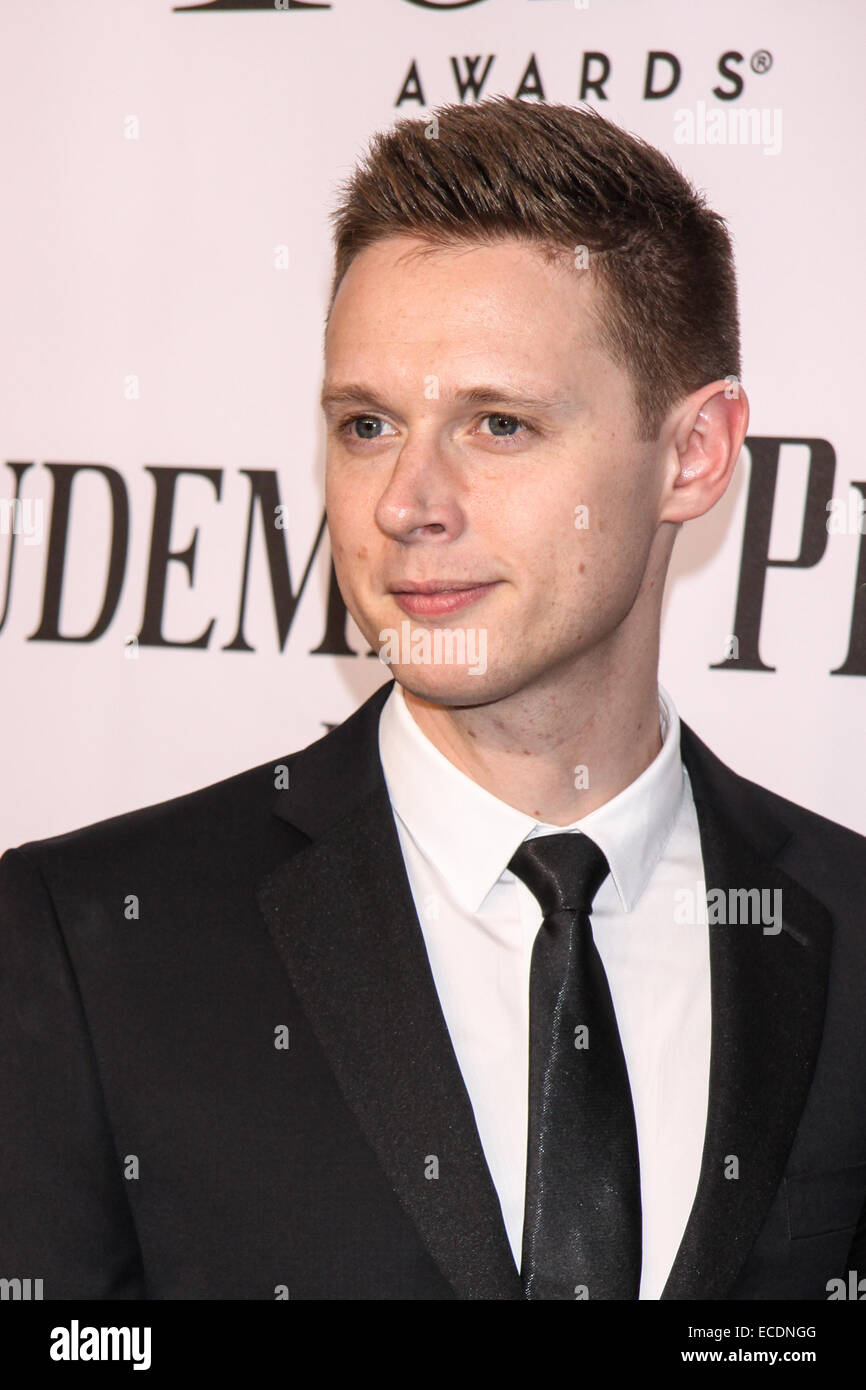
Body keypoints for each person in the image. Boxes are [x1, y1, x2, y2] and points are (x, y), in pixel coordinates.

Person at [1, 96, 864, 1302]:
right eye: (366, 425)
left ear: (693, 454)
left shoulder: (844, 926)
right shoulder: (82, 941)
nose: (408, 501)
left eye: (496, 424)